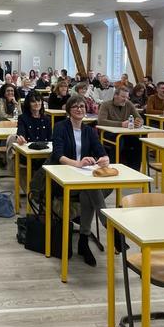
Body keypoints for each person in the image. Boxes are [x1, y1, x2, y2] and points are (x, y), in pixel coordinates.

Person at [50, 95, 111, 266]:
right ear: (69, 110)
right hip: (63, 177)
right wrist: (77, 163)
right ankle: (107, 227)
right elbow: (58, 154)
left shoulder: (89, 131)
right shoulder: (60, 127)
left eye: (82, 106)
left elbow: (100, 151)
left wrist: (105, 159)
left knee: (88, 192)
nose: (79, 109)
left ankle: (84, 240)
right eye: (75, 106)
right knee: (91, 189)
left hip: (83, 179)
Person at [97, 87, 143, 169]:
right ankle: (113, 166)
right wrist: (121, 124)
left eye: (127, 97)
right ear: (115, 95)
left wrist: (139, 122)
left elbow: (139, 118)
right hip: (108, 134)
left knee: (138, 142)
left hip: (124, 134)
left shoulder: (129, 104)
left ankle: (135, 170)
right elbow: (101, 121)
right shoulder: (105, 105)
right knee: (119, 141)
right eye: (123, 97)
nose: (125, 99)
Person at [15, 92, 52, 175]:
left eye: (39, 101)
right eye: (33, 101)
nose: (37, 104)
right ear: (28, 104)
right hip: (29, 152)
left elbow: (50, 138)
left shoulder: (47, 119)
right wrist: (20, 138)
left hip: (45, 152)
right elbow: (21, 132)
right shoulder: (23, 118)